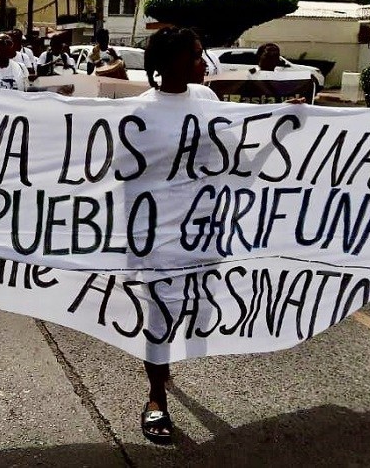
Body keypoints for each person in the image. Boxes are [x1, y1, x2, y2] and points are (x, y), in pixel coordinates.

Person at [138, 26, 218, 445]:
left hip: (203, 226)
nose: (203, 63)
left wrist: (284, 123)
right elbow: (123, 174)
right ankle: (156, 397)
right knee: (160, 312)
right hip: (157, 232)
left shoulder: (206, 99)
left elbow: (233, 153)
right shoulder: (141, 110)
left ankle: (163, 364)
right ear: (170, 62)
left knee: (196, 303)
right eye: (195, 55)